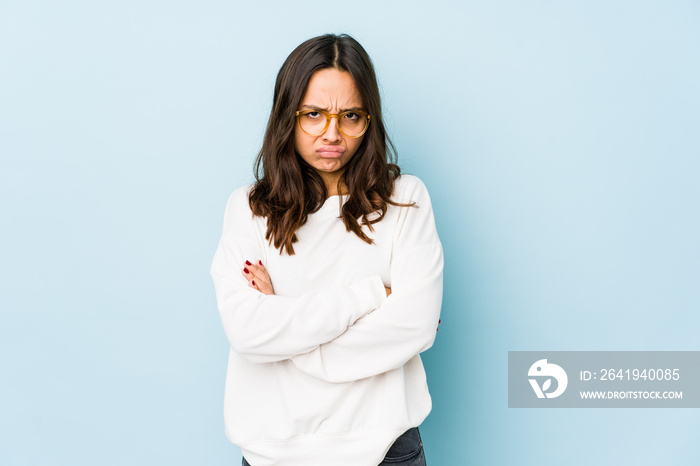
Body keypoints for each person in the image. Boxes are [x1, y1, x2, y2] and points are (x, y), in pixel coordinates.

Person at [210, 33, 444, 466]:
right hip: (272, 453)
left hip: (385, 448)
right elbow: (247, 332)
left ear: (369, 119)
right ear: (288, 116)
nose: (332, 134)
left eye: (350, 116)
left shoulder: (405, 200)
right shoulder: (248, 209)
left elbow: (416, 326)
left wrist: (285, 319)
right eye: (313, 115)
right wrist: (370, 296)